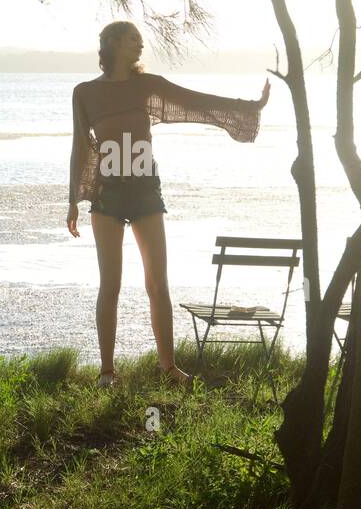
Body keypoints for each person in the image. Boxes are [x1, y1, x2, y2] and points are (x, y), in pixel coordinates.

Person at [67, 20, 270, 387]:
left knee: (157, 284)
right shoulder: (84, 93)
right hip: (107, 197)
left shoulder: (149, 86)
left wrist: (249, 107)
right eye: (133, 40)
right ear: (112, 43)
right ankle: (107, 372)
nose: (140, 46)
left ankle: (168, 367)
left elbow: (197, 103)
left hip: (146, 193)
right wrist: (73, 201)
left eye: (140, 41)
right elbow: (80, 147)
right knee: (109, 284)